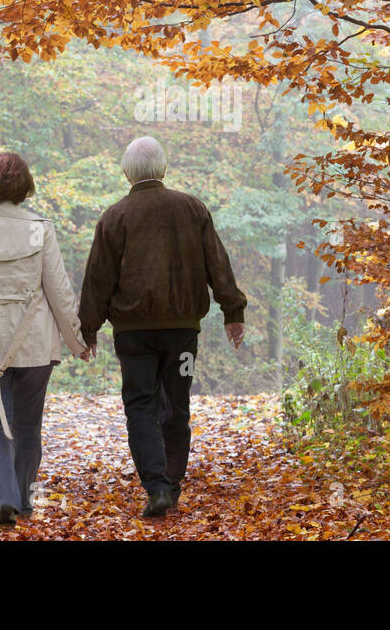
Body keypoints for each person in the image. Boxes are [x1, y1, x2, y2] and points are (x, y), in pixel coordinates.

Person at [79, 136, 246, 518]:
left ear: (126, 172)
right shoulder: (192, 209)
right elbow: (217, 264)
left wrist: (87, 330)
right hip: (183, 335)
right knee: (178, 404)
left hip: (133, 336)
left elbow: (98, 280)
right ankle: (171, 484)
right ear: (164, 169)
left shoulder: (114, 217)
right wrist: (232, 311)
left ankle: (155, 487)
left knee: (140, 405)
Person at [0, 152, 92, 527]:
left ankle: (3, 500)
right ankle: (22, 499)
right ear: (26, 187)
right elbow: (58, 291)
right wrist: (77, 341)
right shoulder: (41, 229)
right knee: (27, 423)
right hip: (34, 345)